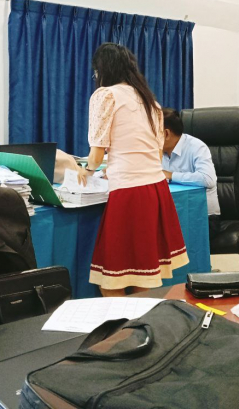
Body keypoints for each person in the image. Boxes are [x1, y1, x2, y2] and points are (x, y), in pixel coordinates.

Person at [77, 43, 189, 297]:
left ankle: (124, 322)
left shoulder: (106, 95)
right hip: (156, 189)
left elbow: (97, 151)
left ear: (102, 70)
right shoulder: (151, 102)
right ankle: (141, 320)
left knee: (110, 279)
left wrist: (87, 170)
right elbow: (155, 151)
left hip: (129, 192)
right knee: (144, 273)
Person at [161, 107, 220, 218]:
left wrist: (171, 175)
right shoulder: (155, 151)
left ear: (166, 134)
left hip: (202, 216)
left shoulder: (196, 147)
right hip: (172, 214)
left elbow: (208, 179)